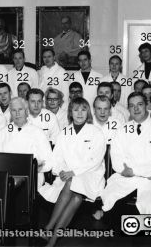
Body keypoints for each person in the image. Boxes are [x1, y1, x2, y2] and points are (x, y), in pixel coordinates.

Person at [39, 97, 105, 247]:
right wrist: (61, 170)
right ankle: (54, 235)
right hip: (69, 175)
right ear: (70, 113)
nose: (79, 113)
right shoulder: (64, 132)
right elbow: (57, 157)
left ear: (88, 112)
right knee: (75, 197)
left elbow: (95, 160)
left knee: (71, 182)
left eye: (83, 109)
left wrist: (73, 172)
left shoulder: (96, 132)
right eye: (75, 109)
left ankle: (50, 230)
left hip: (91, 174)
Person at [101, 92, 151, 214]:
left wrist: (133, 171)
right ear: (128, 109)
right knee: (110, 198)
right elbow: (117, 162)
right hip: (126, 178)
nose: (136, 108)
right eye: (132, 106)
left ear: (146, 105)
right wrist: (144, 172)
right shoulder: (121, 131)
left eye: (139, 104)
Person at [0, 97, 53, 187]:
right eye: (13, 110)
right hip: (7, 176)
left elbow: (49, 162)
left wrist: (34, 169)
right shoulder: (2, 133)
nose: (17, 113)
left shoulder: (38, 132)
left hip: (32, 176)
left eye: (20, 109)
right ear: (10, 113)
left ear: (26, 111)